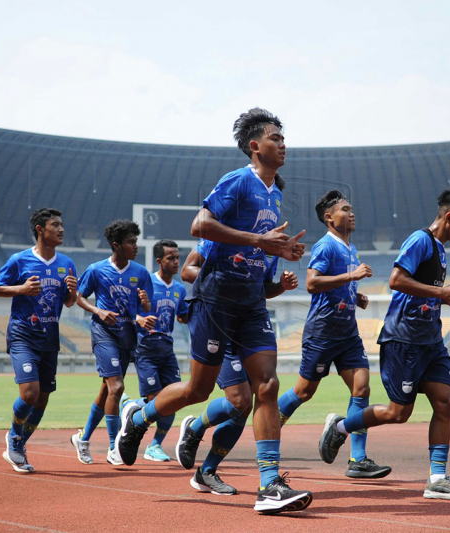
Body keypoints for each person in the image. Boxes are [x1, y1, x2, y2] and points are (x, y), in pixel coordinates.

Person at [116, 108, 312, 514]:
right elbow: (199, 226)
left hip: (251, 305)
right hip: (215, 301)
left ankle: (269, 484)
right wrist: (258, 241)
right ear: (254, 146)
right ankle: (138, 420)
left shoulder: (275, 196)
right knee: (196, 391)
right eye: (275, 137)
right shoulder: (237, 181)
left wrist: (282, 253)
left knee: (268, 386)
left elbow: (261, 257)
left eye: (284, 137)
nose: (283, 143)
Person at [319, 188, 450, 501]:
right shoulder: (420, 241)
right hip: (403, 340)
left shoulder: (441, 249)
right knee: (397, 413)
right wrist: (442, 293)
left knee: (445, 402)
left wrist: (446, 298)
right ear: (448, 217)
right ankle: (340, 428)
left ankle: (438, 479)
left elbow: (424, 292)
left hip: (431, 341)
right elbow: (396, 280)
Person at [277, 190, 390, 479]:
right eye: (345, 209)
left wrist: (356, 296)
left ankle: (358, 459)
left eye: (351, 209)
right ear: (329, 218)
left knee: (362, 388)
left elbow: (337, 286)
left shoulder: (350, 249)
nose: (351, 213)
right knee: (304, 391)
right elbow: (313, 283)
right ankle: (267, 426)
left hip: (347, 333)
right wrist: (351, 277)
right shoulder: (326, 246)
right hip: (323, 332)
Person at [177, 231, 298, 496]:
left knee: (251, 402)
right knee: (239, 401)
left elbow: (261, 291)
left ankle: (207, 471)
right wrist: (228, 285)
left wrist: (281, 286)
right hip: (218, 322)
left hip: (248, 327)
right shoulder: (223, 233)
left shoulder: (269, 251)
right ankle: (193, 427)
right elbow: (187, 271)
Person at [0, 207, 78, 473]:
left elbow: (69, 302)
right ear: (40, 230)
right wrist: (22, 289)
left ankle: (17, 443)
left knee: (42, 399)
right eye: (56, 224)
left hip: (50, 338)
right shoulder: (19, 260)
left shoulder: (67, 263)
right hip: (23, 334)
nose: (62, 229)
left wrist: (73, 293)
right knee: (29, 393)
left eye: (62, 224)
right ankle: (15, 439)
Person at [70, 220, 153, 466]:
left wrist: (144, 308)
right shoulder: (96, 270)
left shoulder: (141, 273)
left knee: (107, 391)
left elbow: (145, 308)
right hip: (104, 333)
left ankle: (82, 439)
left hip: (128, 336)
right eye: (131, 242)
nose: (136, 246)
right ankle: (113, 446)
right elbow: (79, 297)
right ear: (117, 245)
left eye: (136, 241)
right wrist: (98, 311)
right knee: (116, 388)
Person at [127, 239, 189, 463]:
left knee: (174, 400)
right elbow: (128, 312)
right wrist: (140, 319)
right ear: (159, 261)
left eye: (177, 257)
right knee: (157, 399)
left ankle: (154, 445)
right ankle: (130, 407)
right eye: (170, 258)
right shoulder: (145, 283)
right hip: (145, 349)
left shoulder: (180, 289)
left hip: (167, 350)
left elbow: (183, 315)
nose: (175, 261)